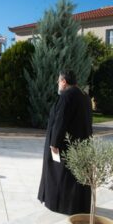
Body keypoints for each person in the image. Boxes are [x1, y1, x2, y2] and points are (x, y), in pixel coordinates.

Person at [38, 70, 92, 215]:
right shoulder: (84, 96)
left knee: (61, 175)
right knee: (75, 177)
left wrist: (54, 143)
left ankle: (59, 203)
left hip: (65, 145)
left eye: (58, 81)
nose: (58, 84)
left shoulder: (67, 96)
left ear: (64, 81)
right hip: (81, 144)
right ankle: (77, 206)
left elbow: (61, 120)